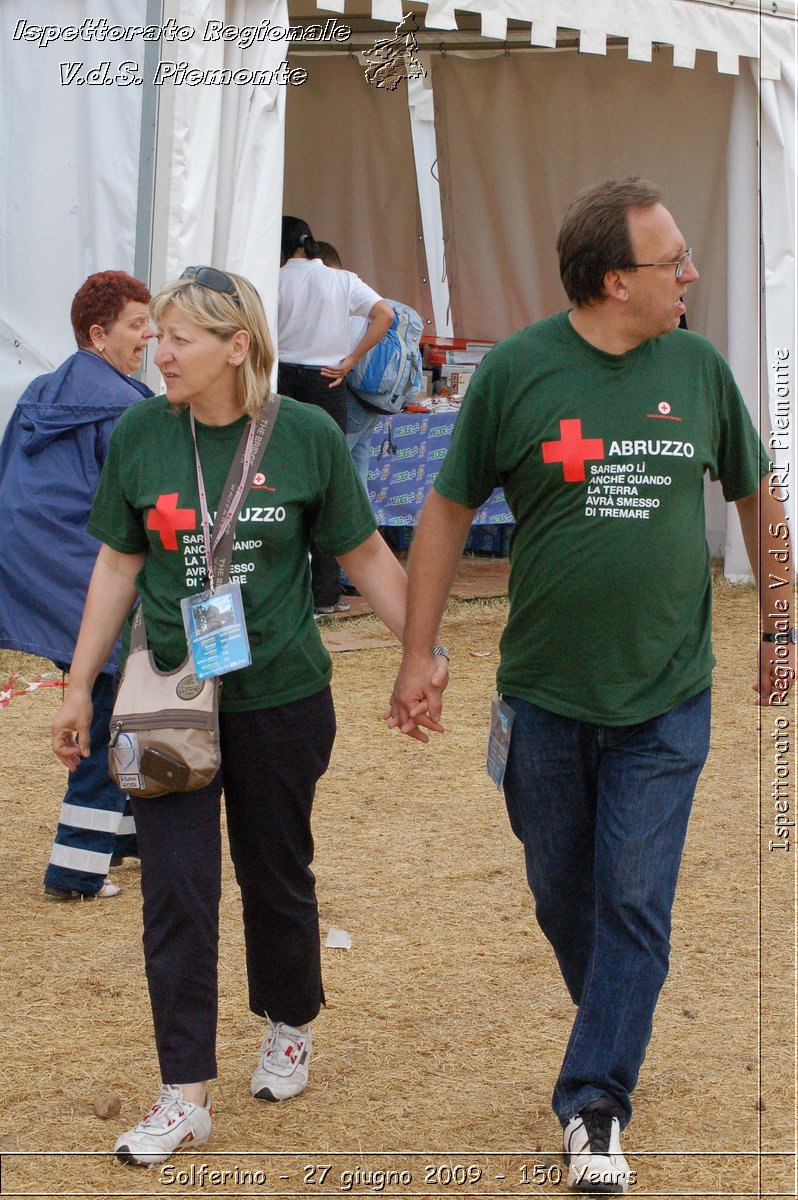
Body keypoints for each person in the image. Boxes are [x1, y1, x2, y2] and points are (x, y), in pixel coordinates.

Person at [388, 178, 795, 1193]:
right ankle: (615, 1013)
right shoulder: (520, 373)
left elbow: (758, 490)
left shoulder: (698, 368)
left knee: (634, 904)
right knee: (567, 897)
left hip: (667, 698)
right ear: (617, 280)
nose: (691, 276)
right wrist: (417, 652)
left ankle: (595, 1106)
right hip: (543, 700)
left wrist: (781, 621)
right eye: (675, 262)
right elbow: (444, 513)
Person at [50, 267, 443, 1167]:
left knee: (275, 876)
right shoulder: (142, 434)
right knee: (176, 891)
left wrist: (422, 652)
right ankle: (183, 1091)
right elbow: (116, 565)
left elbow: (366, 552)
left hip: (281, 699)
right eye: (158, 335)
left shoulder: (304, 435)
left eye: (181, 337)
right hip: (170, 698)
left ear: (238, 347)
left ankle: (289, 1020)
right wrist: (79, 685)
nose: (161, 350)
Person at [0, 270, 154, 899]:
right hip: (89, 575)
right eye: (138, 324)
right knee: (113, 704)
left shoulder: (40, 391)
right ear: (100, 333)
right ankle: (77, 867)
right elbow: (141, 502)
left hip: (37, 571)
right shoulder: (126, 406)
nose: (149, 336)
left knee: (124, 699)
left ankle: (126, 835)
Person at [278, 217, 393, 616]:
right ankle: (326, 593)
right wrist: (350, 360)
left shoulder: (271, 278)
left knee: (277, 483)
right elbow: (385, 314)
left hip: (279, 382)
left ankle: (288, 592)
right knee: (328, 486)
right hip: (327, 382)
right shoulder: (342, 280)